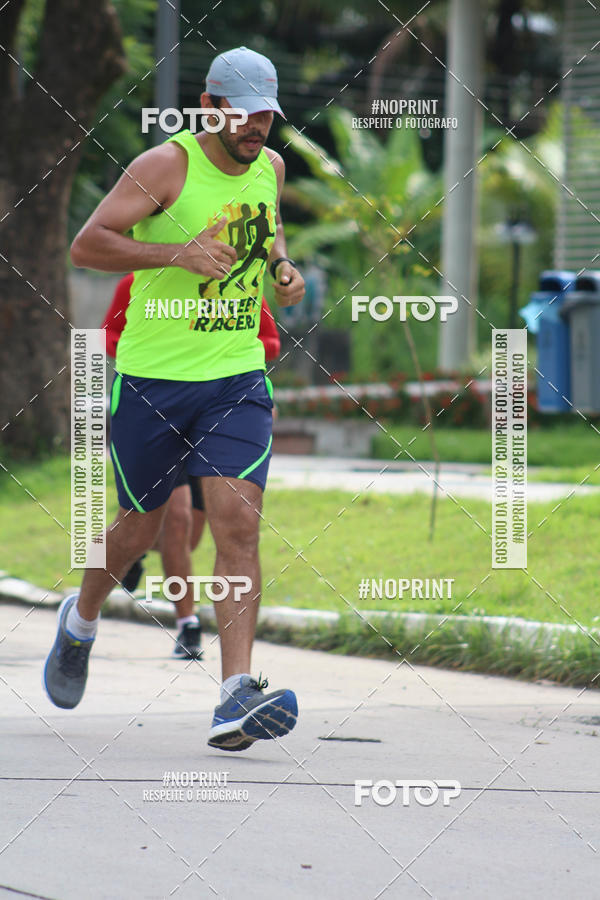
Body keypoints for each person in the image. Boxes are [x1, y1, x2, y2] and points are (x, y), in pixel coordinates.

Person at [44, 46, 304, 753]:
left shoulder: (269, 167)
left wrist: (282, 266)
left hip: (237, 375)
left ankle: (233, 695)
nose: (258, 128)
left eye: (267, 116)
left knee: (237, 525)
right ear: (211, 107)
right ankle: (82, 618)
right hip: (155, 380)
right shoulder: (167, 166)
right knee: (138, 527)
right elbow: (87, 244)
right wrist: (175, 252)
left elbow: (269, 225)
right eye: (246, 114)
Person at [101, 275, 281, 660]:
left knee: (198, 535)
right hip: (159, 406)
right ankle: (188, 625)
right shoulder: (138, 281)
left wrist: (220, 350)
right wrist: (163, 342)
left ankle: (138, 552)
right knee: (177, 521)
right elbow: (109, 334)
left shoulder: (240, 283)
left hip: (220, 411)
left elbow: (270, 340)